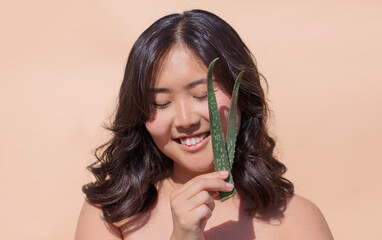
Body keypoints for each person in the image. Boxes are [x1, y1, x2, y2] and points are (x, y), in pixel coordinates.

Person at [75, 9, 333, 240]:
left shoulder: (297, 221)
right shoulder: (112, 216)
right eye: (161, 103)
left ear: (241, 94)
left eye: (202, 96)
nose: (186, 120)